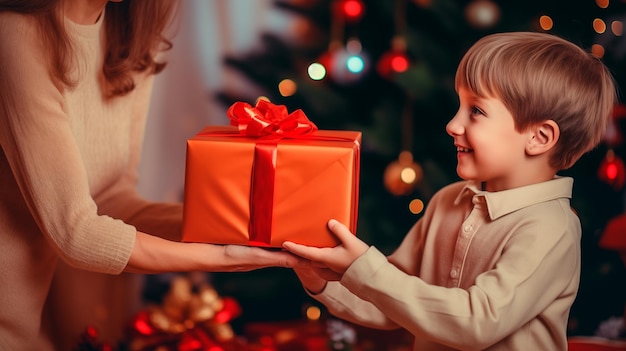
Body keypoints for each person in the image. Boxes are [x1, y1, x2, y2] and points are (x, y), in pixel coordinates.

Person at [283, 31, 617, 350]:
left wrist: (367, 269)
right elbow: (391, 302)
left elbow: (477, 322)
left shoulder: (550, 228)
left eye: (476, 111)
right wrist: (318, 277)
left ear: (539, 138)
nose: (453, 125)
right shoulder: (447, 201)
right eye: (460, 106)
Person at [0, 1, 304, 350]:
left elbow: (112, 199)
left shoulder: (132, 37)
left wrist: (238, 226)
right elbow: (77, 233)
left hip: (40, 325)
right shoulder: (15, 34)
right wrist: (223, 258)